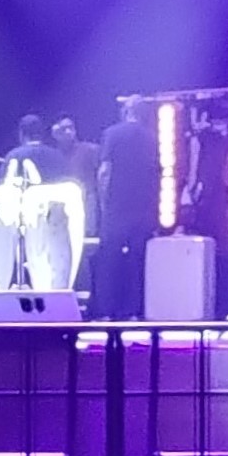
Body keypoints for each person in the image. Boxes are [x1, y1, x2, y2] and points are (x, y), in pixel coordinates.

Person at [91, 98, 159, 319]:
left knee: (109, 259)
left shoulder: (112, 134)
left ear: (127, 110)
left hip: (116, 207)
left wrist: (103, 203)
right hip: (143, 209)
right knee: (137, 261)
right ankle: (134, 311)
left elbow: (105, 171)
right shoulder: (152, 138)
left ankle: (106, 311)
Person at [2, 113, 70, 185]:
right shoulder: (57, 155)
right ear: (41, 133)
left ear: (22, 133)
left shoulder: (14, 156)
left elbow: (2, 183)